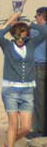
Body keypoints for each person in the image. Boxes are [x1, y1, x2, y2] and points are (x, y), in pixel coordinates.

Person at [0, 11, 47, 147]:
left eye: (23, 37)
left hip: (27, 90)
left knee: (26, 128)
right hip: (10, 90)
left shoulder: (31, 43)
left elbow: (45, 32)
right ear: (14, 36)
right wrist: (11, 23)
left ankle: (8, 144)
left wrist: (31, 25)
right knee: (13, 125)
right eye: (18, 37)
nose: (21, 40)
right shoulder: (8, 45)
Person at [33, 7, 47, 137]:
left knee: (39, 100)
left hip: (40, 66)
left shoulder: (37, 31)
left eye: (36, 17)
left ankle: (40, 131)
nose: (35, 19)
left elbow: (20, 32)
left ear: (41, 17)